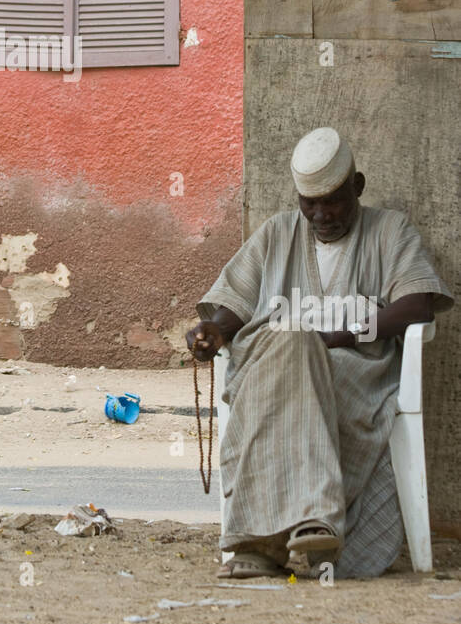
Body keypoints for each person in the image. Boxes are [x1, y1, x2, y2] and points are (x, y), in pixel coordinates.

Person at [186, 127, 453, 579]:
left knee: (294, 346)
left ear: (358, 186)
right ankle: (315, 515)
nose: (322, 214)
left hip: (353, 375)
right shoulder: (276, 234)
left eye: (334, 201)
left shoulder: (389, 230)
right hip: (272, 370)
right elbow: (234, 305)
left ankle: (258, 544)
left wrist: (347, 335)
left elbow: (418, 302)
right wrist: (212, 330)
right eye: (310, 204)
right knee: (289, 342)